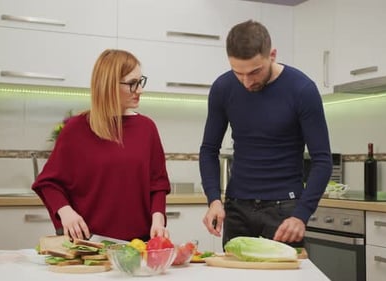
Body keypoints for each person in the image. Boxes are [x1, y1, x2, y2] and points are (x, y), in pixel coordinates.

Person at [199, 20, 332, 248]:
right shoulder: (222, 88)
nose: (247, 82)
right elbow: (208, 151)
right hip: (237, 208)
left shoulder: (302, 90)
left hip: (285, 210)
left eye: (254, 72)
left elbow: (322, 160)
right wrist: (214, 200)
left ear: (272, 54)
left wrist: (301, 214)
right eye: (238, 73)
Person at [32, 49, 171, 241]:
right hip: (90, 244)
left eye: (140, 81)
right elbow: (48, 183)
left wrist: (158, 221)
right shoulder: (76, 128)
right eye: (132, 84)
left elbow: (158, 184)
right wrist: (66, 213)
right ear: (109, 85)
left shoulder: (147, 128)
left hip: (138, 244)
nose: (140, 90)